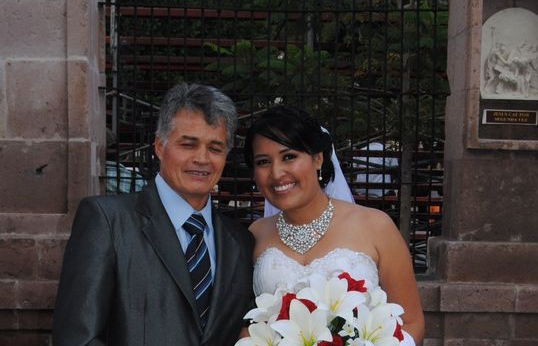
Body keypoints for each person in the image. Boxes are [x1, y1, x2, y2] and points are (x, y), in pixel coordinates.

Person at [53, 83, 254, 346]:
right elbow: (77, 339)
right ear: (160, 146)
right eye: (188, 144)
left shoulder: (240, 241)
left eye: (215, 148)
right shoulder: (107, 221)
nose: (202, 158)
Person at [243, 105, 424, 345]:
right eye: (263, 162)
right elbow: (246, 326)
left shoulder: (376, 227)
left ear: (318, 158)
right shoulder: (254, 235)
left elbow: (411, 321)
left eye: (289, 157)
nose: (277, 173)